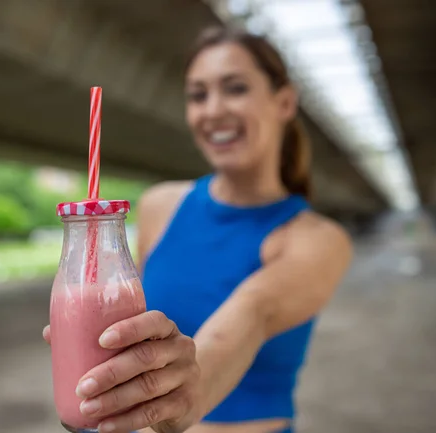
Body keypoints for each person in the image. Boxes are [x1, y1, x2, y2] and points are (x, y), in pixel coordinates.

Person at [43, 26, 353, 433]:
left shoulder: (318, 240)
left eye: (235, 88)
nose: (213, 110)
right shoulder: (159, 207)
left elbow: (250, 315)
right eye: (198, 95)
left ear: (284, 101)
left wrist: (187, 391)